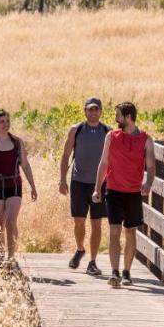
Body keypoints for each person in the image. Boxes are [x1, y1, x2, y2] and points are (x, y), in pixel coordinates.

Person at [91, 101, 155, 289]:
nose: (115, 118)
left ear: (128, 117)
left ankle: (127, 271)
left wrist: (148, 183)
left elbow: (150, 166)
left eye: (118, 115)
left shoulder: (146, 139)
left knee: (130, 232)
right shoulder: (111, 136)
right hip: (114, 190)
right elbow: (103, 163)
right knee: (114, 231)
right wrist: (97, 188)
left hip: (134, 192)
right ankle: (115, 272)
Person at [58, 96, 109, 275]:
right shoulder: (76, 130)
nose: (93, 113)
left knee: (97, 224)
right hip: (78, 182)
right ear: (85, 111)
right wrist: (62, 179)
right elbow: (65, 155)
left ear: (101, 111)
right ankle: (80, 249)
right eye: (90, 109)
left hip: (100, 184)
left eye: (96, 109)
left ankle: (93, 262)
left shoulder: (107, 131)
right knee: (79, 222)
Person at [0, 109, 37, 261]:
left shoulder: (17, 143)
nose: (6, 125)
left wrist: (32, 186)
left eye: (7, 121)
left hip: (14, 185)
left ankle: (11, 258)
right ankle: (0, 255)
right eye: (2, 122)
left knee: (11, 221)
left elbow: (25, 165)